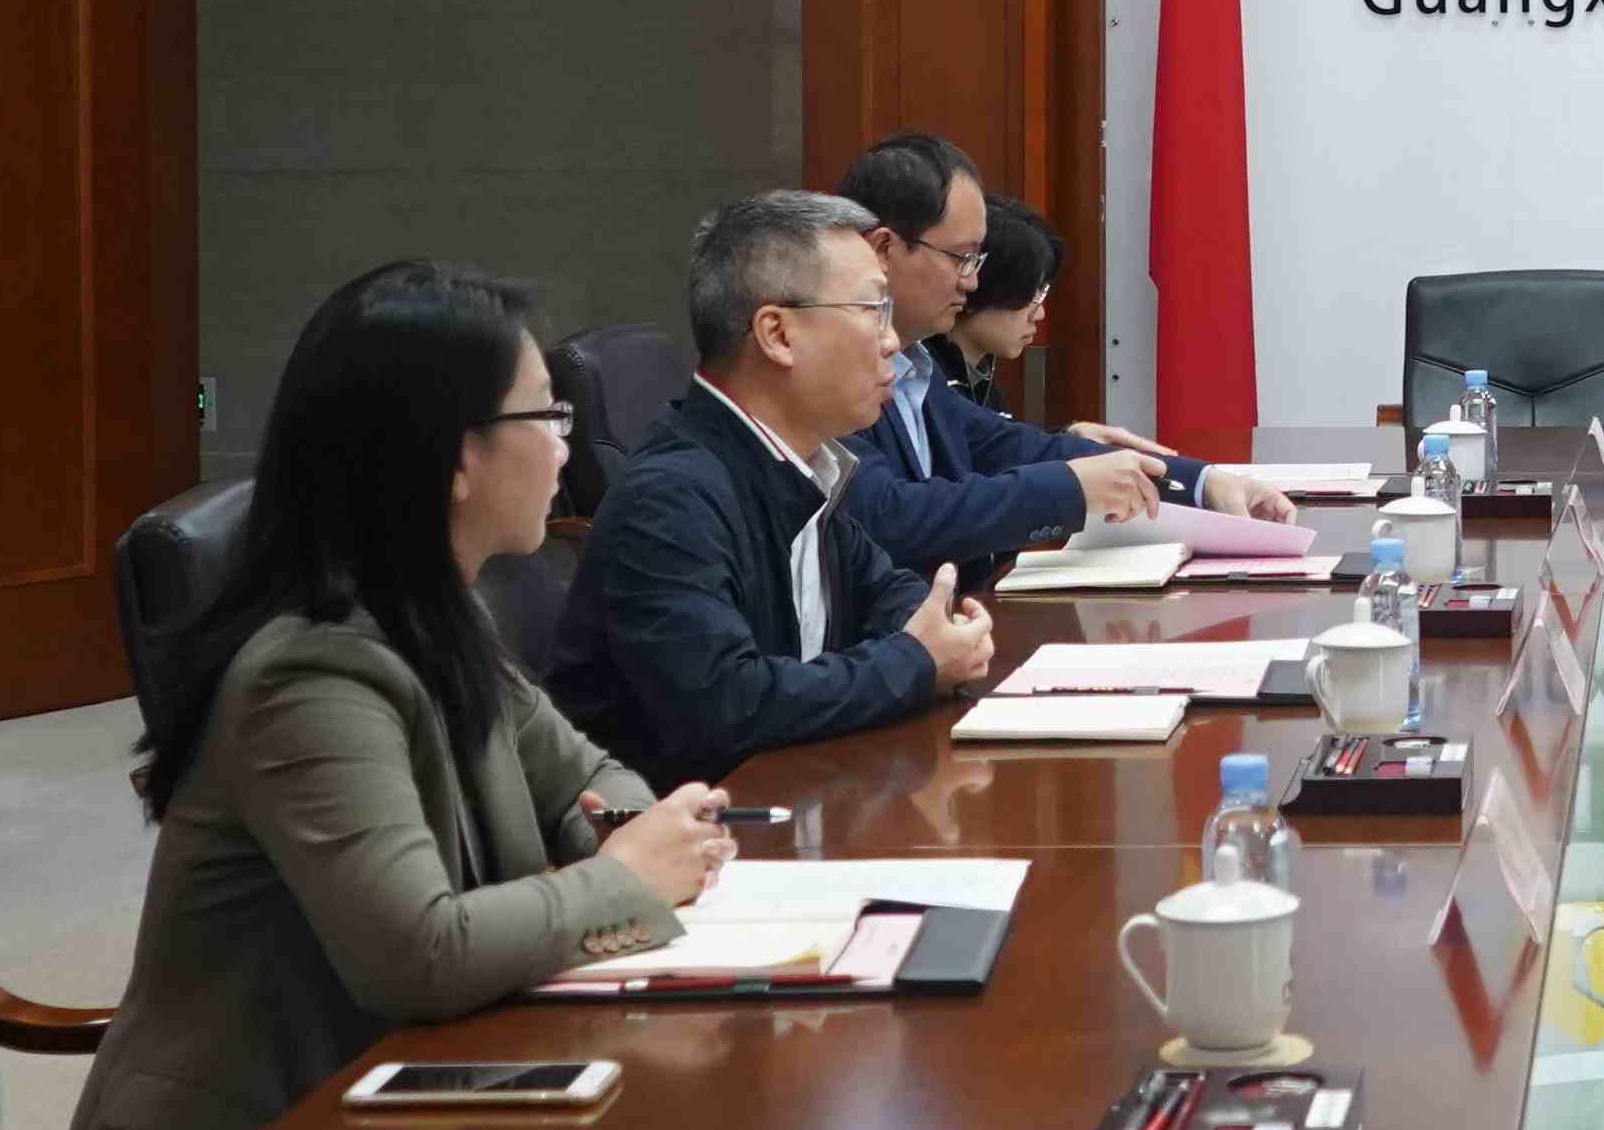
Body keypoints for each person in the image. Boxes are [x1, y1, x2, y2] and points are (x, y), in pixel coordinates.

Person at [78, 262, 733, 1130]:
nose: (564, 447)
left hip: (395, 1102)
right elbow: (421, 956)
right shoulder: (311, 676)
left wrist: (618, 830)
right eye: (545, 415)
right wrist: (623, 878)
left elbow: (589, 773)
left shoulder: (437, 611)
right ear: (456, 457)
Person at [551, 190, 998, 782]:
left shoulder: (800, 464)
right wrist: (916, 661)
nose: (893, 340)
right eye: (873, 309)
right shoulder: (669, 499)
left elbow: (882, 589)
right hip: (691, 825)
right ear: (778, 334)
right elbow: (730, 705)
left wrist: (937, 629)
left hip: (798, 800)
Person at [831, 130, 1297, 556]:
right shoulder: (831, 368)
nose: (971, 282)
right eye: (962, 258)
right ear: (884, 249)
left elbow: (1014, 447)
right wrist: (1073, 488)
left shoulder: (915, 367)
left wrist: (1203, 482)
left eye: (977, 261)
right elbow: (890, 517)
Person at [944, 200, 1061, 416]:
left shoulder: (980, 375)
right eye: (1030, 296)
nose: (1040, 314)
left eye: (1041, 293)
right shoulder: (925, 382)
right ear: (978, 285)